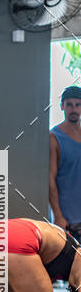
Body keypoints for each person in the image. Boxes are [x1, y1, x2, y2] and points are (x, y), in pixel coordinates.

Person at [49, 84, 81, 241]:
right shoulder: (54, 137)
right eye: (69, 105)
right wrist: (58, 215)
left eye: (78, 105)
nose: (74, 109)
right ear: (62, 106)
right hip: (68, 222)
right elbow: (50, 179)